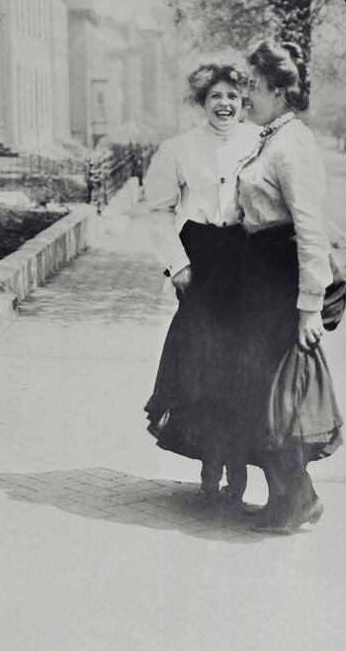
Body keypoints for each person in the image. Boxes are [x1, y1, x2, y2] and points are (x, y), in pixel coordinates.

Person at [236, 40, 343, 535]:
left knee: (279, 395)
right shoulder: (272, 138)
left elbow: (310, 227)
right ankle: (288, 497)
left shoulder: (292, 143)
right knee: (262, 392)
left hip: (283, 282)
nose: (244, 96)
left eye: (253, 87)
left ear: (279, 92)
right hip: (262, 279)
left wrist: (309, 307)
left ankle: (298, 499)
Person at [143, 62, 260, 503]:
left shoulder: (260, 141)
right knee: (204, 366)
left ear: (244, 101)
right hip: (201, 264)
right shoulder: (178, 148)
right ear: (202, 102)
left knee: (246, 368)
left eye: (232, 96)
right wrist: (178, 265)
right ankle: (212, 460)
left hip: (247, 261)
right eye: (215, 96)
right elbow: (159, 210)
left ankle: (240, 463)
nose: (224, 104)